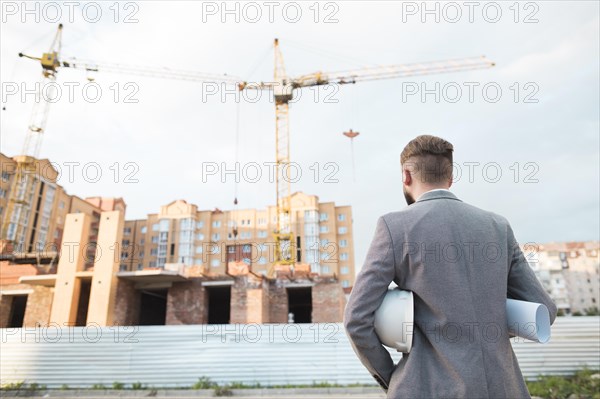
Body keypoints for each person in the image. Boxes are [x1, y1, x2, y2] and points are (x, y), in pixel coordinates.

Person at [343, 134, 557, 398]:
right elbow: (544, 311)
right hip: (503, 387)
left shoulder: (394, 227)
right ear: (451, 178)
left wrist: (394, 378)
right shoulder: (497, 226)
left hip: (426, 388)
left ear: (406, 176)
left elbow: (356, 320)